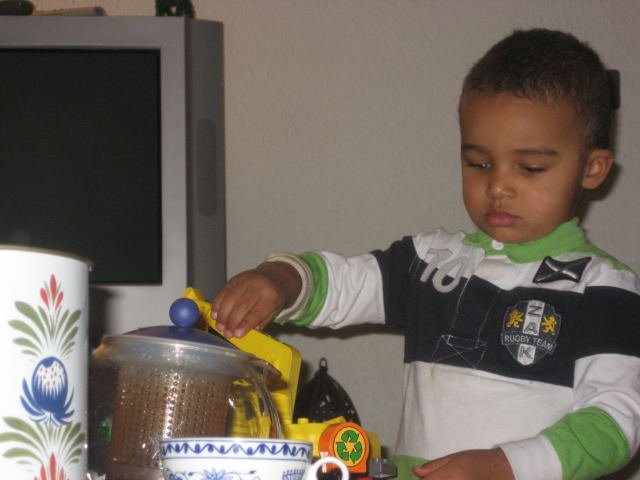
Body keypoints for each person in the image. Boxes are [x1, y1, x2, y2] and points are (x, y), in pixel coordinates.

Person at [211, 28, 640, 480]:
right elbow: (345, 284)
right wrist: (282, 279)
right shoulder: (430, 260)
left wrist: (507, 465)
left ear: (592, 169)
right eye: (478, 163)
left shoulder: (604, 288)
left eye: (531, 168)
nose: (497, 185)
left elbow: (616, 421)